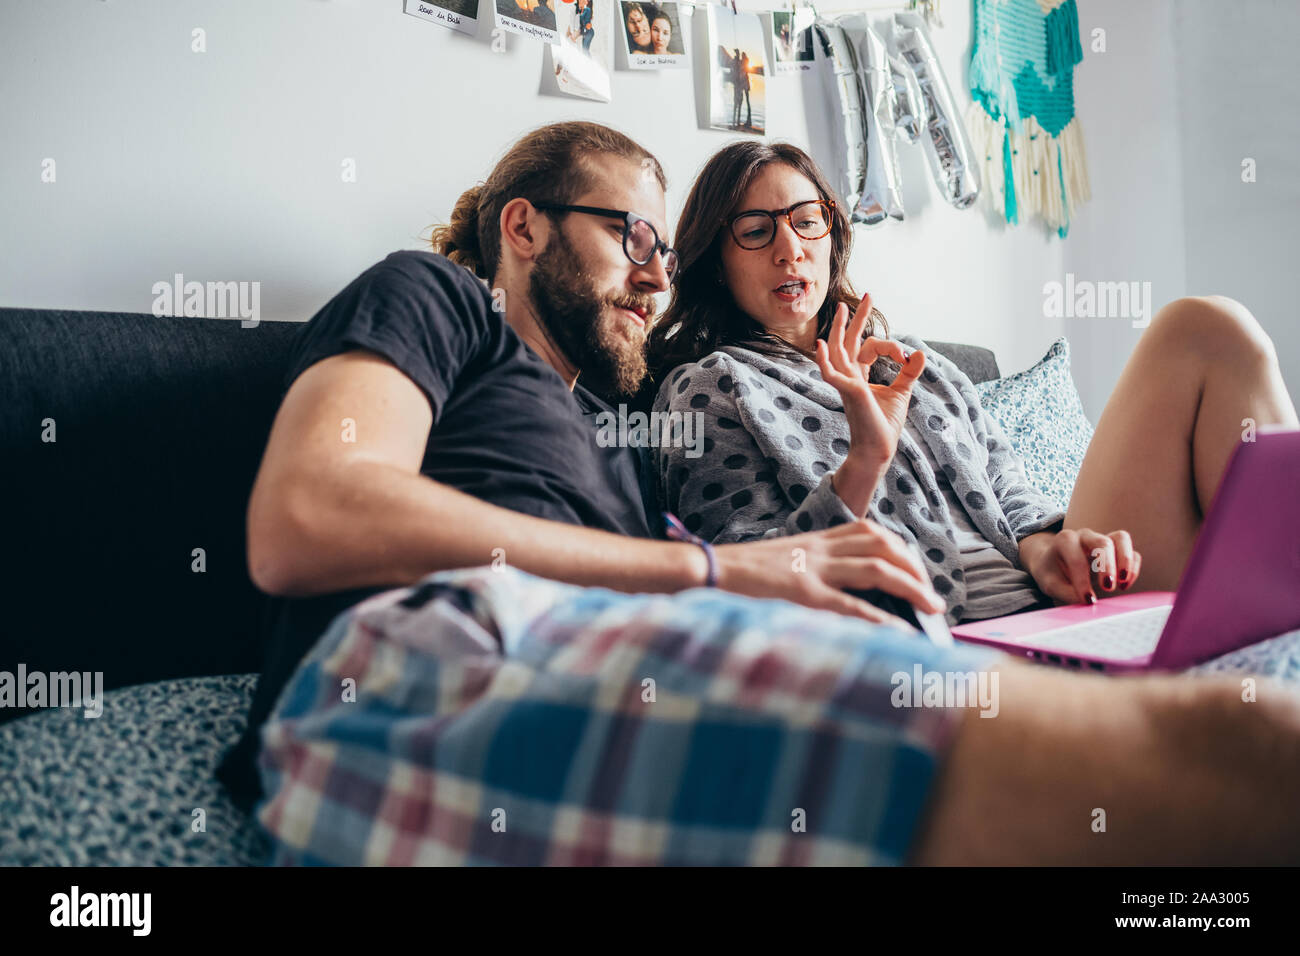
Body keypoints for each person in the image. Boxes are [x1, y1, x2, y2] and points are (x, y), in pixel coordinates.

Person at [220, 121, 1300, 865]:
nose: (654, 272)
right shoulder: (433, 298)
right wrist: (711, 566)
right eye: (627, 236)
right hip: (435, 661)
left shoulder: (618, 431)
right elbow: (307, 516)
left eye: (660, 246)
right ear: (523, 226)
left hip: (599, 657)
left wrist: (1032, 555)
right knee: (1236, 762)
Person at [648, 138, 1298, 622]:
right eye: (756, 232)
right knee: (1200, 328)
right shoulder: (710, 390)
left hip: (1058, 606)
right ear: (716, 263)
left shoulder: (913, 364)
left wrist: (1051, 548)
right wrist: (864, 462)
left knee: (1211, 329)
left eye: (805, 220)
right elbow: (747, 581)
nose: (789, 249)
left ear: (831, 232)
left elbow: (1013, 494)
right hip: (946, 640)